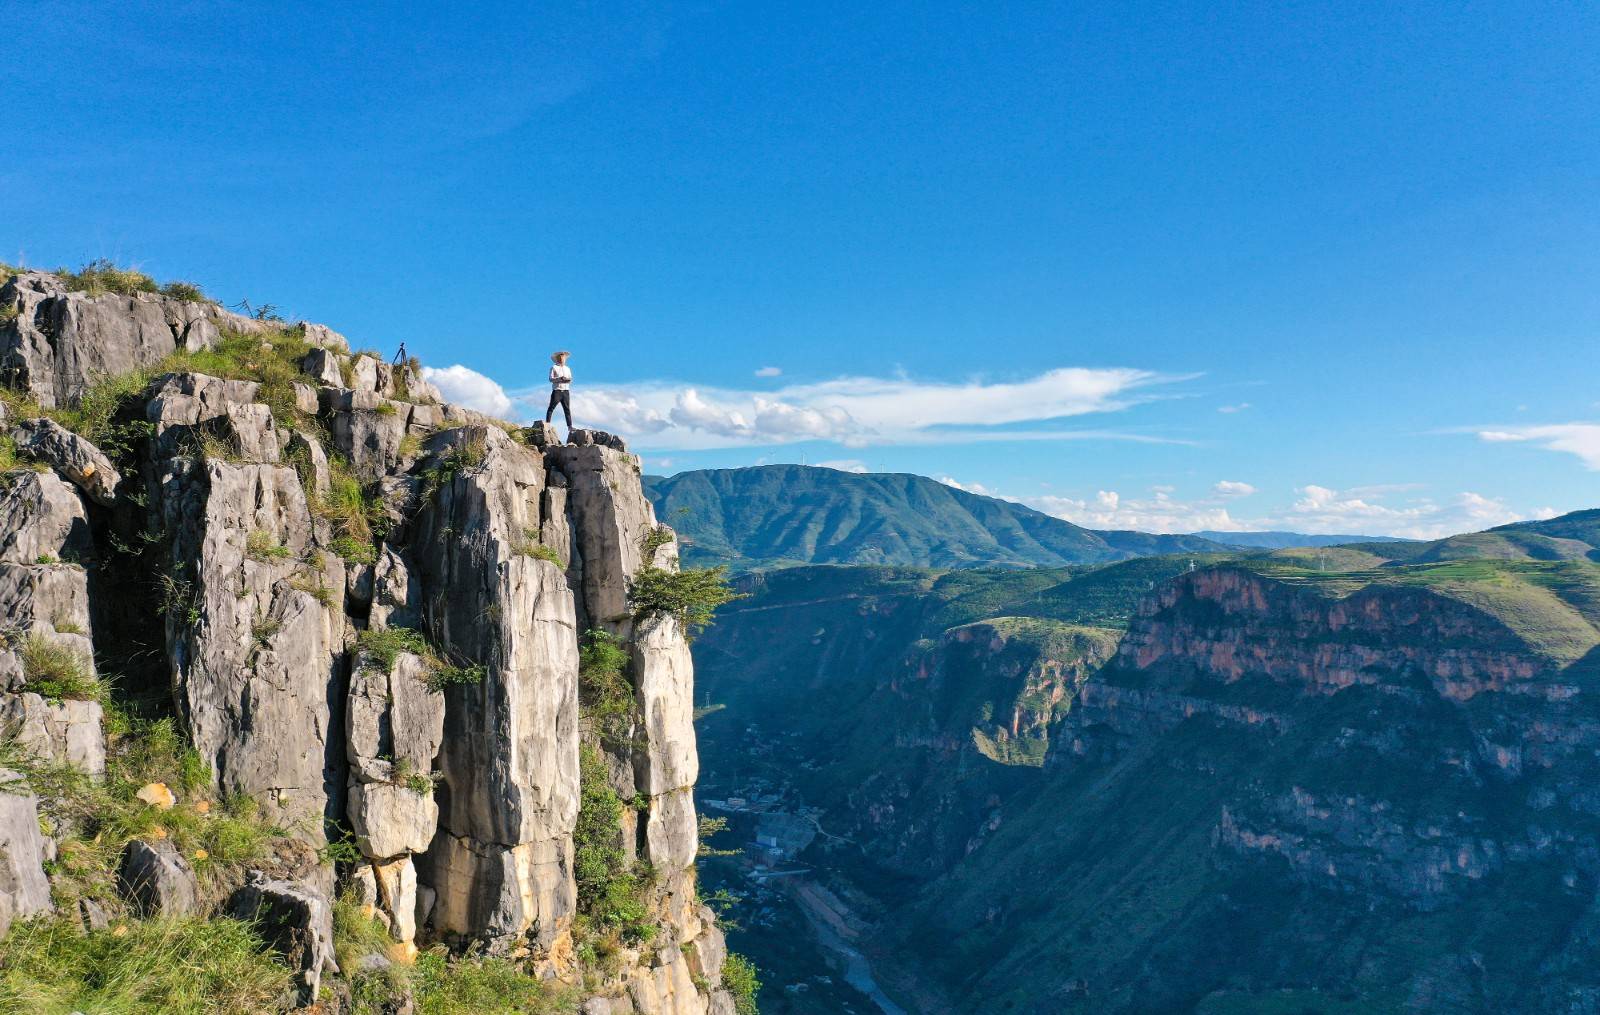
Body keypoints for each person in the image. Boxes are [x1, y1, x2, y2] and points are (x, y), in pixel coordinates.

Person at [546, 350, 573, 430]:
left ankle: (570, 426)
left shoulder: (567, 368)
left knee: (567, 409)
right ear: (557, 359)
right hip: (557, 390)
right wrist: (559, 379)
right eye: (561, 358)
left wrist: (567, 379)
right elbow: (550, 379)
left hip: (566, 391)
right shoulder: (554, 367)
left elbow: (570, 379)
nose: (562, 359)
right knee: (551, 408)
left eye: (564, 358)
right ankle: (547, 424)